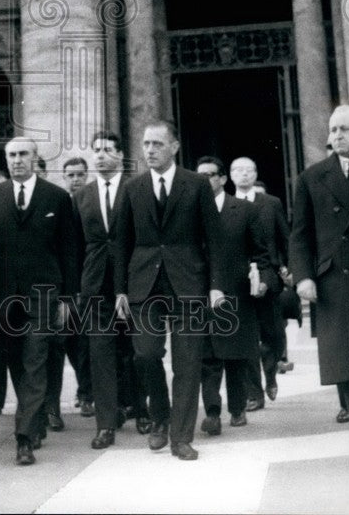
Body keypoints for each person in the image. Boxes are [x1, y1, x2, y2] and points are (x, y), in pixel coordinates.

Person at [114, 120, 225, 461]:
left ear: (174, 147)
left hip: (188, 284)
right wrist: (120, 290)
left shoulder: (196, 185)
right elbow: (120, 243)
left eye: (157, 144)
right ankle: (160, 417)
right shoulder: (133, 188)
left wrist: (216, 286)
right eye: (146, 144)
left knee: (188, 363)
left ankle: (181, 437)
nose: (149, 150)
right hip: (144, 286)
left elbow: (215, 240)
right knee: (146, 354)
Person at [0, 137, 78, 466]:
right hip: (4, 297)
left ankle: (23, 438)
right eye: (11, 155)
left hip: (44, 293)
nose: (17, 160)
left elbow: (69, 251)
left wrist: (67, 297)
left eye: (23, 154)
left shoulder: (57, 197)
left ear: (36, 158)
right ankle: (34, 421)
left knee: (36, 359)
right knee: (16, 362)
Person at [289, 104, 349, 467]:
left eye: (343, 130)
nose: (335, 137)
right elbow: (300, 236)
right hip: (337, 283)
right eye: (332, 130)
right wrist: (303, 276)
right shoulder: (311, 177)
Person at [74, 132, 146, 449]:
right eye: (96, 151)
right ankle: (106, 424)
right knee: (100, 354)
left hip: (133, 283)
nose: (101, 156)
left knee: (136, 350)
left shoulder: (136, 190)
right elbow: (75, 246)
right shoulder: (82, 196)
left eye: (107, 150)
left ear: (120, 154)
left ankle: (142, 410)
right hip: (95, 287)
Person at [195, 156, 273, 435]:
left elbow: (262, 252)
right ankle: (213, 413)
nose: (205, 180)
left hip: (235, 292)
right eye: (200, 175)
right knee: (207, 356)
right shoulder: (190, 210)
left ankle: (237, 408)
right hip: (201, 292)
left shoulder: (244, 210)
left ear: (223, 179)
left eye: (211, 175)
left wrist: (262, 278)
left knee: (235, 356)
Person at [229, 156, 289, 410]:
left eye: (249, 170)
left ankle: (272, 369)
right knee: (246, 338)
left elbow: (283, 237)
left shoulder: (270, 203)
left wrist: (288, 268)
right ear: (230, 175)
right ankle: (254, 393)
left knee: (272, 333)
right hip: (238, 279)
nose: (244, 174)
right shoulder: (225, 205)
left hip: (267, 275)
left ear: (256, 174)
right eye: (239, 170)